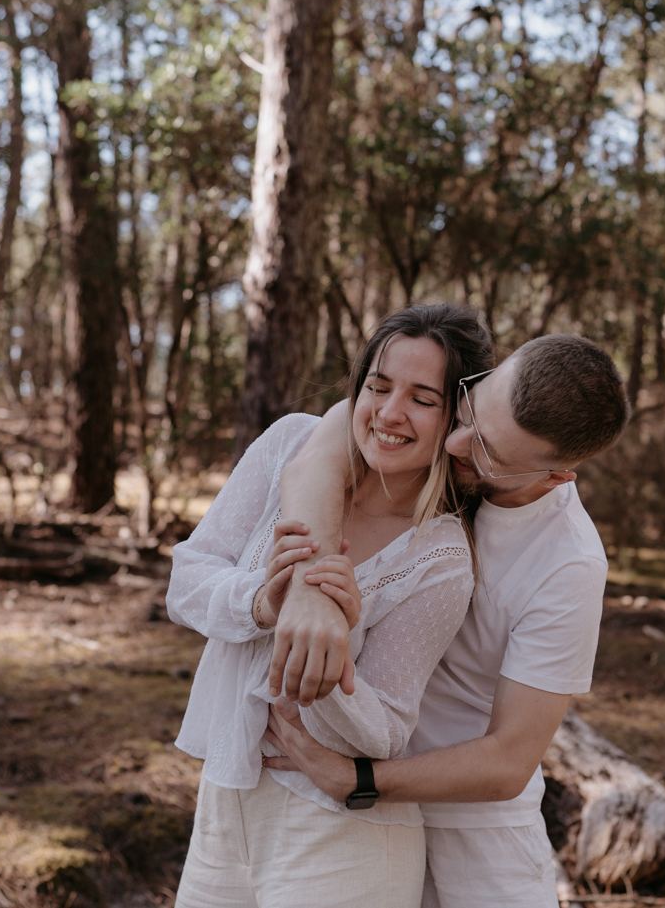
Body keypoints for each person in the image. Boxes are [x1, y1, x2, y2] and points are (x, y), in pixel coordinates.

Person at [262, 333, 631, 907]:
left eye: (489, 453)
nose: (457, 443)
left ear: (558, 476)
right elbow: (329, 437)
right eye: (471, 409)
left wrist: (357, 781)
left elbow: (509, 760)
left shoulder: (569, 566)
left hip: (477, 853)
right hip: (364, 830)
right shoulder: (440, 444)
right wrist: (311, 589)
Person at [165, 304, 494, 907]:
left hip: (340, 839)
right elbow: (186, 580)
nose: (390, 414)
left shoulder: (439, 557)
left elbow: (387, 728)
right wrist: (263, 604)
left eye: (423, 399)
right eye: (379, 386)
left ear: (457, 418)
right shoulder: (291, 442)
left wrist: (333, 660)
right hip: (226, 802)